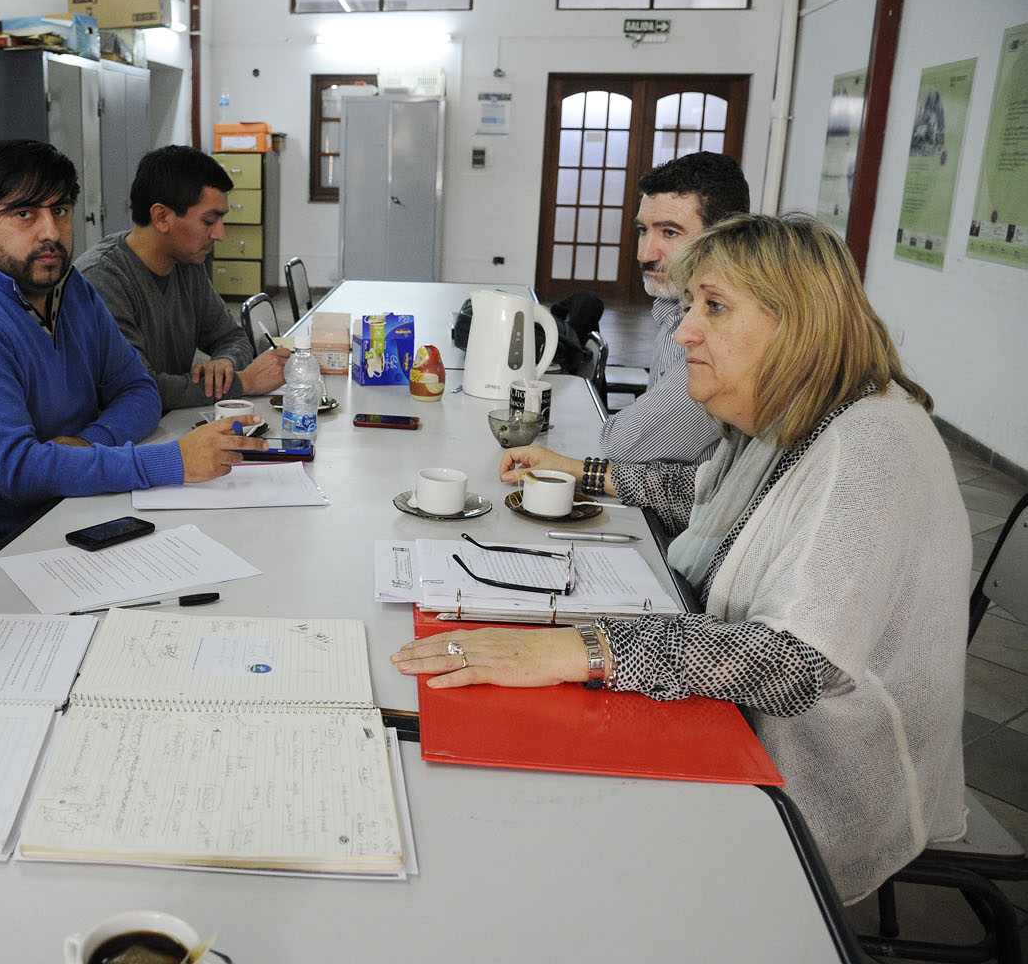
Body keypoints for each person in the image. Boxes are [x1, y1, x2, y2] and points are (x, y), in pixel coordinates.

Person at [393, 214, 968, 904]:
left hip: (822, 785)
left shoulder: (867, 446)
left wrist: (577, 650)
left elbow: (793, 663)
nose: (681, 331)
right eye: (690, 304)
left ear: (798, 324)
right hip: (752, 736)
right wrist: (583, 473)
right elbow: (698, 495)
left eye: (713, 307)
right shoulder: (796, 418)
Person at [0, 139, 263, 566]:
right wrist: (173, 460)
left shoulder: (71, 290)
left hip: (74, 512)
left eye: (60, 210)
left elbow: (139, 390)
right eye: (24, 214)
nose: (51, 233)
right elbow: (19, 472)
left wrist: (90, 445)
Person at [78, 144, 290, 411]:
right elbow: (137, 386)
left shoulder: (187, 264)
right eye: (209, 220)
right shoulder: (102, 278)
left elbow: (232, 337)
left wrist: (225, 363)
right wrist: (243, 382)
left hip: (171, 422)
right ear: (162, 217)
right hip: (120, 442)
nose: (219, 234)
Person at [599, 151, 750, 464]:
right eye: (643, 230)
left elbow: (625, 447)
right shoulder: (673, 307)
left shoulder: (727, 329)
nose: (644, 254)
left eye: (669, 232)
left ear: (722, 236)